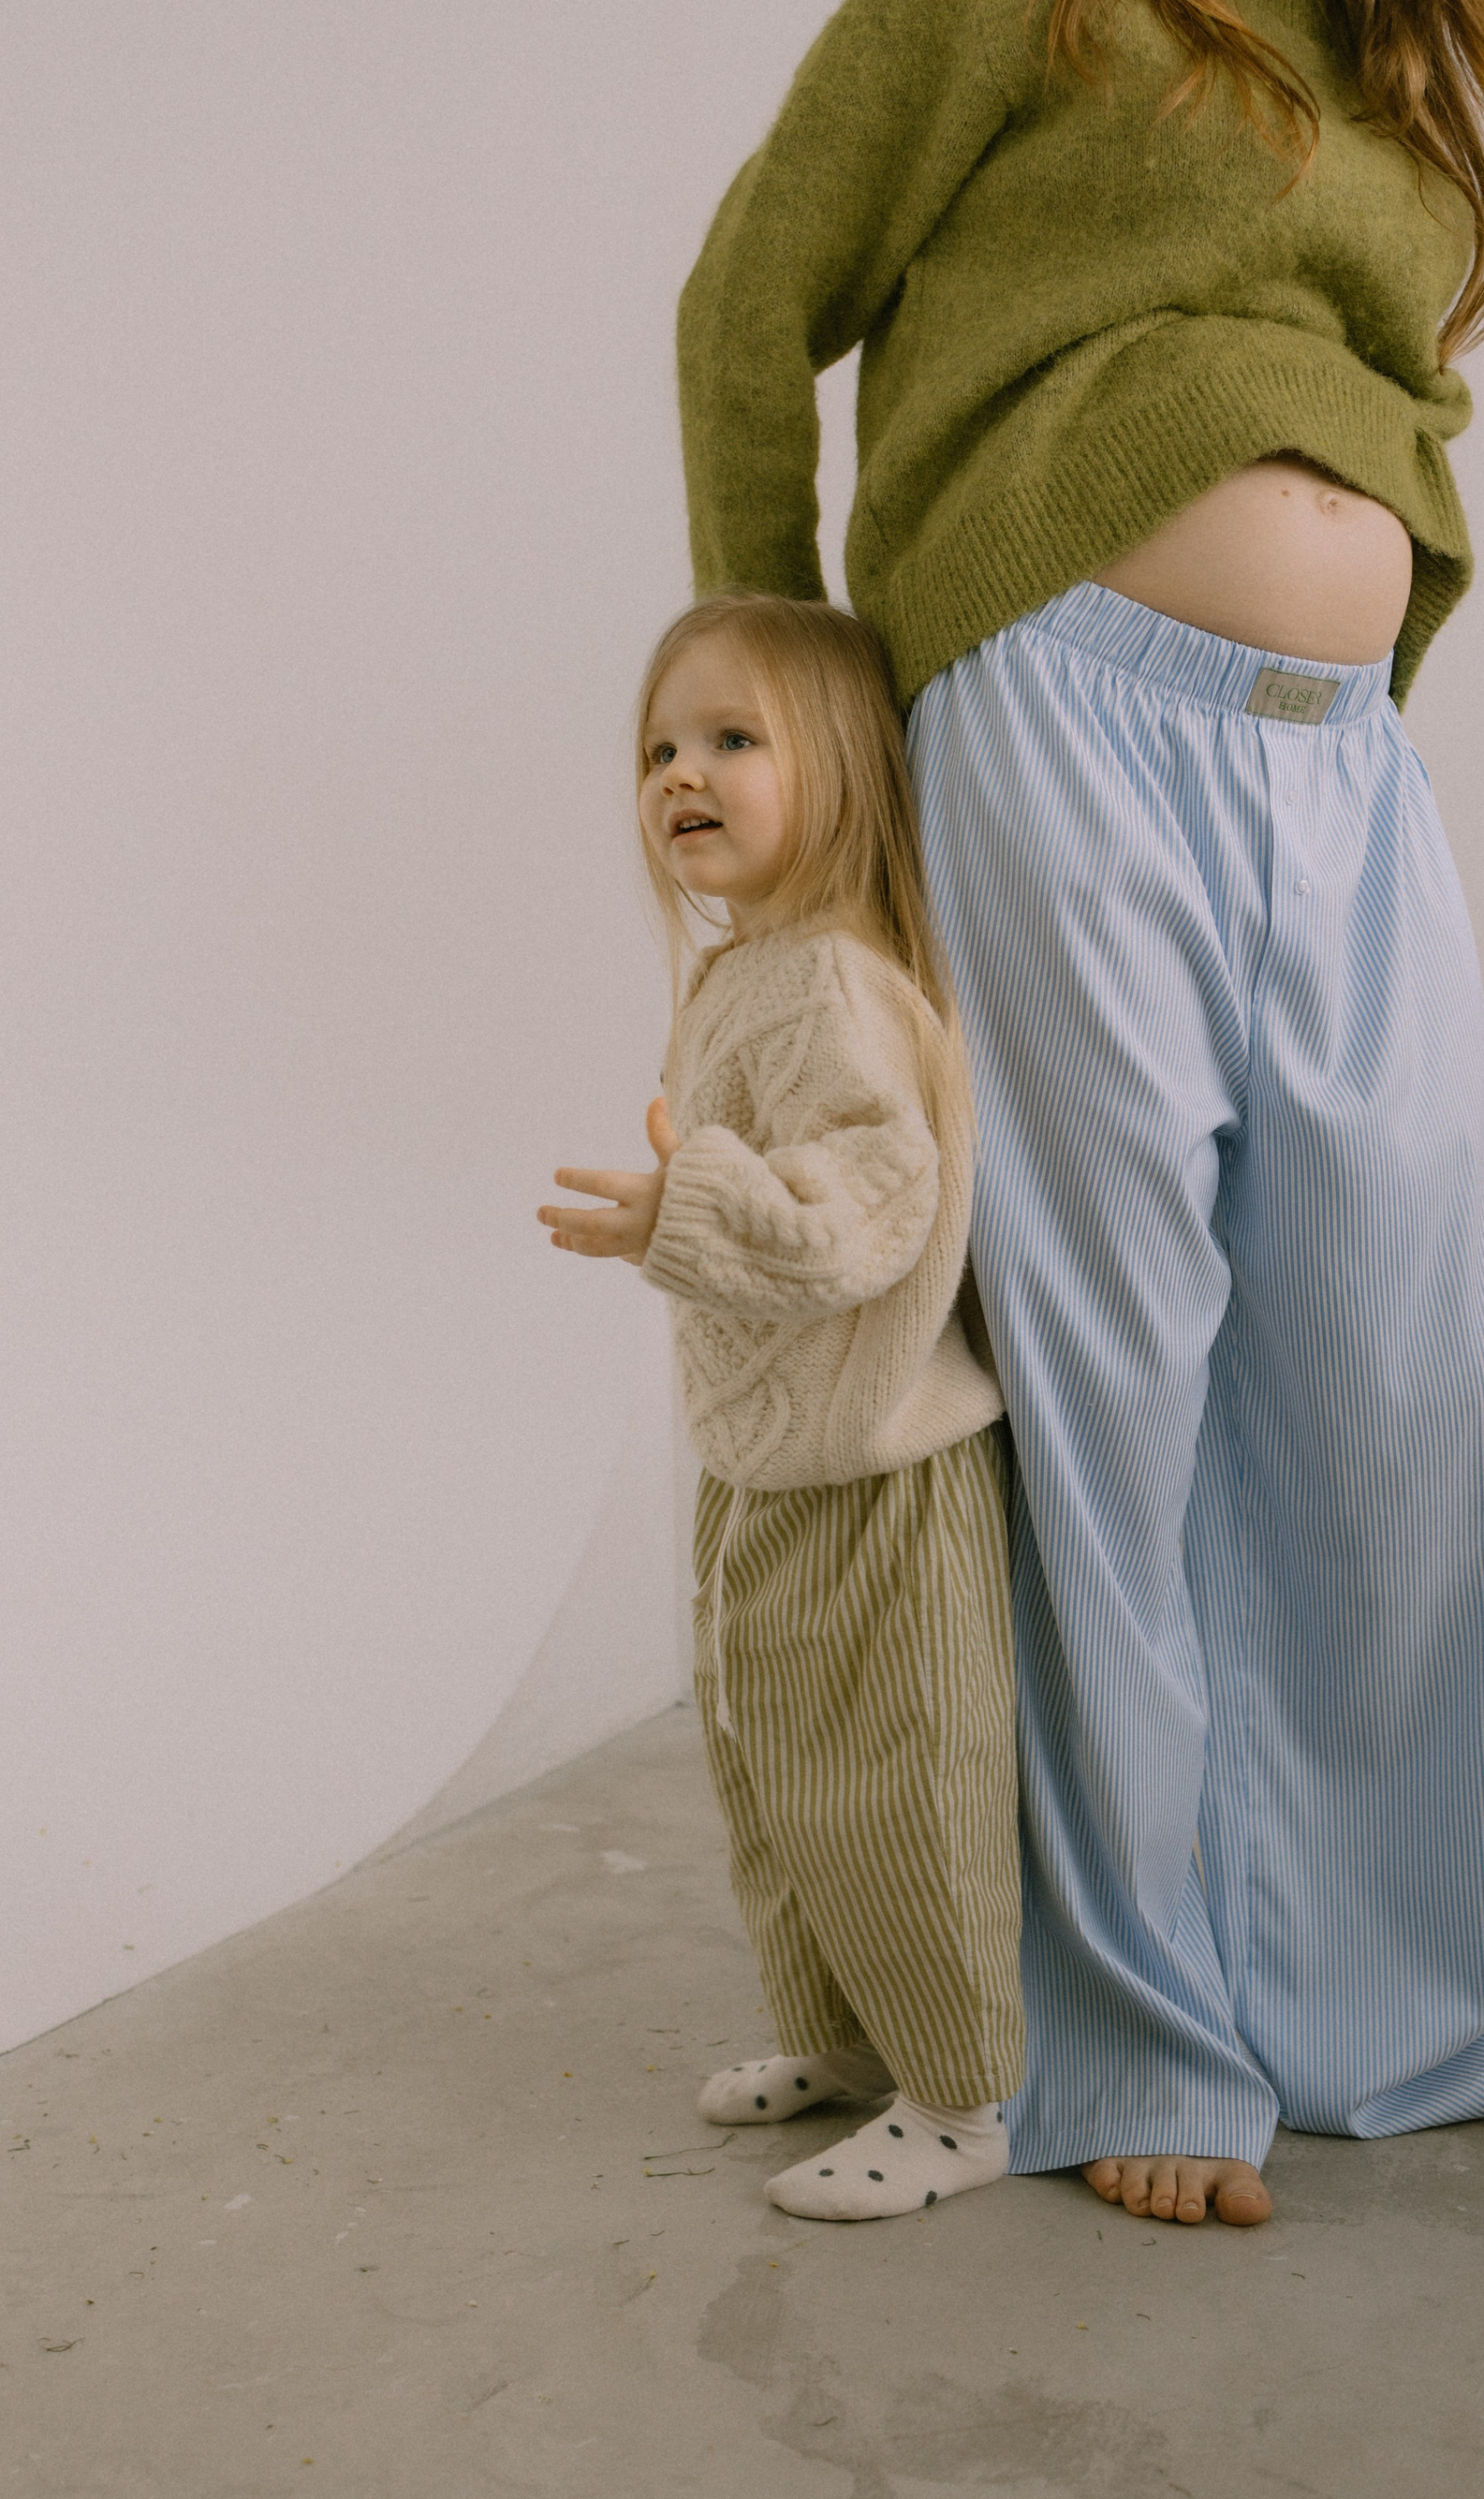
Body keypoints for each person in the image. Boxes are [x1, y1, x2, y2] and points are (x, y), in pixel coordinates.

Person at [675, 0, 1484, 2227]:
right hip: (1058, 710)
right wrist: (801, 720)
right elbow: (750, 298)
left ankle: (1407, 2012)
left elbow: (1385, 377)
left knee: (1421, 1399)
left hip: (1339, 752)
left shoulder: (1407, 43)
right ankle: (1139, 2044)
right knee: (1121, 1399)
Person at [538, 593, 1024, 2222]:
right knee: (776, 1773)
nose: (681, 774)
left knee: (898, 1789)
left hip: (881, 1470)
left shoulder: (831, 979)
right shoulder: (744, 971)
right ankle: (851, 2036)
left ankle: (960, 2100)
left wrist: (683, 1208)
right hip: (772, 1464)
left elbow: (873, 1199)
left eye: (732, 739)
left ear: (843, 770)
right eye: (660, 749)